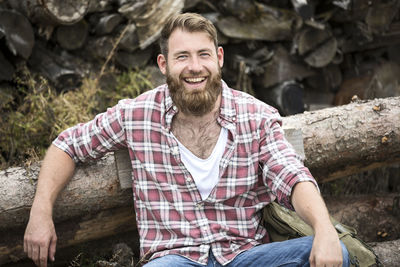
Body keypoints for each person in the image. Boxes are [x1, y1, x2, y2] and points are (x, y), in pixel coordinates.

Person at [24, 12, 349, 267]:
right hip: (173, 259)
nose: (195, 67)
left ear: (219, 58)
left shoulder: (256, 116)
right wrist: (40, 212)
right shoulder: (136, 115)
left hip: (244, 256)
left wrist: (323, 230)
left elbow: (291, 175)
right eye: (182, 57)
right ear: (163, 65)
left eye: (203, 55)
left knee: (335, 254)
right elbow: (67, 145)